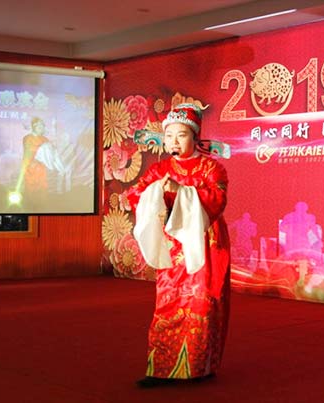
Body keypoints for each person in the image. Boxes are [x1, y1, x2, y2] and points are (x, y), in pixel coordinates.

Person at [127, 103, 230, 387]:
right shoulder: (159, 169)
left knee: (202, 302)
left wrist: (182, 191)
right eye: (169, 136)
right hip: (172, 247)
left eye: (181, 135)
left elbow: (217, 200)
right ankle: (161, 368)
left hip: (204, 242)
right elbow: (135, 195)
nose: (174, 141)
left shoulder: (213, 168)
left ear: (195, 137)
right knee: (168, 301)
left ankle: (198, 366)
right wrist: (155, 193)